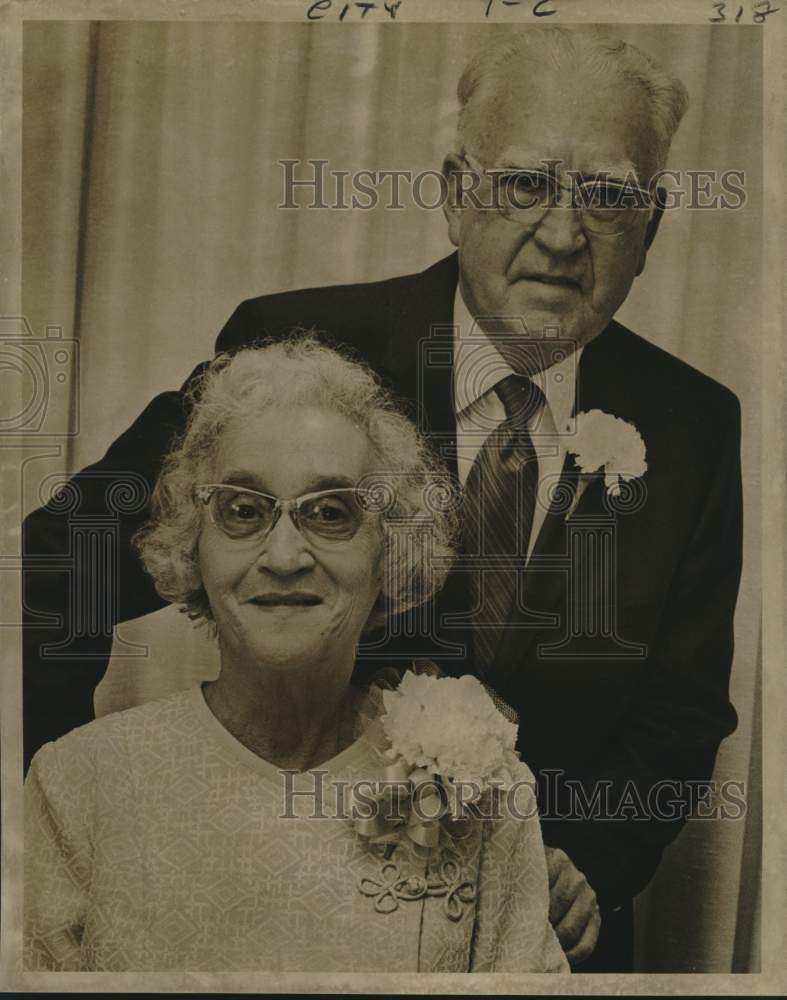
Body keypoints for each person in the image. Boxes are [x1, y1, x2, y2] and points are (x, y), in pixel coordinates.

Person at [22, 27, 742, 972]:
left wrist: (591, 865)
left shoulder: (691, 421)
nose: (564, 236)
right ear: (453, 193)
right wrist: (75, 814)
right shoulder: (298, 341)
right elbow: (56, 566)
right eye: (525, 183)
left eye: (607, 196)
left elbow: (680, 714)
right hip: (272, 924)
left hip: (536, 947)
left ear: (649, 229)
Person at [24, 336, 569, 973]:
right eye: (243, 510)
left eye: (332, 512)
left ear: (390, 551)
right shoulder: (76, 786)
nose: (284, 557)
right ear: (191, 546)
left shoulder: (483, 790)